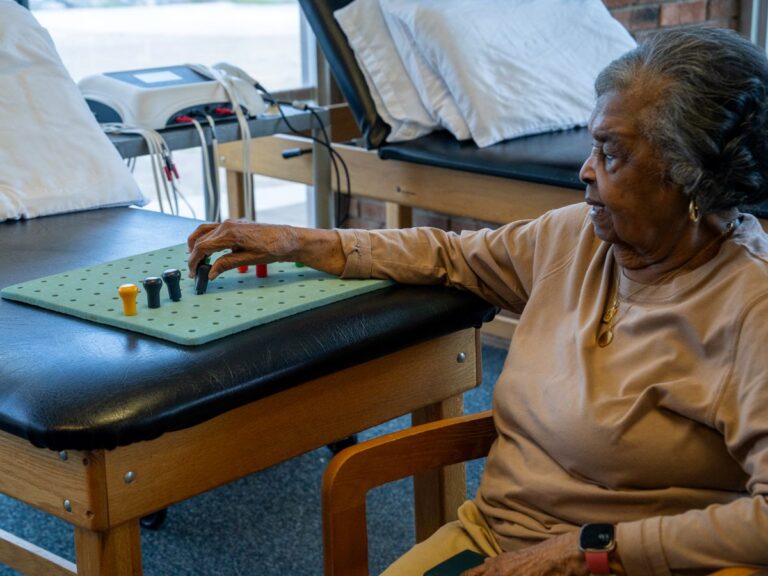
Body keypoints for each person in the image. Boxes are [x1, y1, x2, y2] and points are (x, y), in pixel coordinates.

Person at [187, 26, 768, 576]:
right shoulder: (574, 236)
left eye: (612, 154)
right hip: (490, 539)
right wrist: (299, 240)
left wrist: (587, 551)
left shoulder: (750, 307)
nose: (586, 172)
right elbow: (450, 255)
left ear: (693, 178)